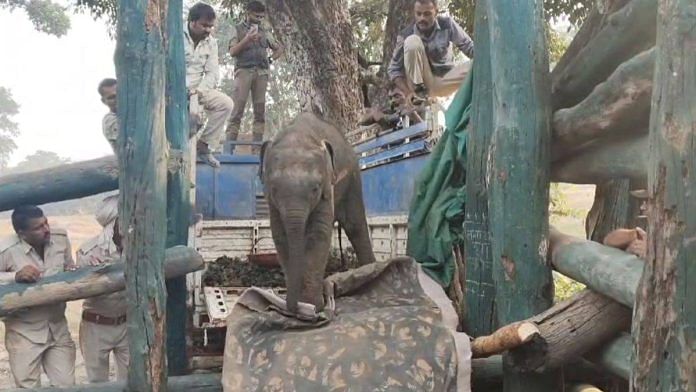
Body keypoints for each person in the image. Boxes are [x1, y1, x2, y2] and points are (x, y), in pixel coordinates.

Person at [0, 206, 76, 388]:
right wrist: (15, 276)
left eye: (46, 223)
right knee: (28, 387)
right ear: (22, 233)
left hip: (58, 328)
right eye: (38, 227)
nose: (46, 229)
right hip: (23, 333)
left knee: (67, 386)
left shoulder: (60, 239)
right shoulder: (6, 250)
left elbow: (69, 268)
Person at [388, 0, 474, 102]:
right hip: (420, 83)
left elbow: (469, 47)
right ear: (414, 13)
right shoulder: (406, 35)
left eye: (427, 14)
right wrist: (408, 93)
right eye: (418, 14)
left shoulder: (446, 24)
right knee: (412, 41)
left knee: (478, 63)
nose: (422, 18)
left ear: (436, 12)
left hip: (445, 79)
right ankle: (418, 93)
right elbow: (393, 70)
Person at [76, 214, 128, 383]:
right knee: (97, 382)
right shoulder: (89, 251)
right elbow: (79, 286)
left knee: (133, 379)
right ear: (113, 223)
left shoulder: (141, 245)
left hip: (128, 324)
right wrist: (90, 271)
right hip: (96, 325)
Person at [226, 0, 283, 154]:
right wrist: (247, 40)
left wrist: (271, 59)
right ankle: (228, 149)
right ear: (248, 13)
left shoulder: (266, 31)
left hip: (262, 73)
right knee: (237, 110)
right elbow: (232, 52)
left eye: (261, 16)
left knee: (260, 112)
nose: (259, 19)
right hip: (244, 71)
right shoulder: (236, 29)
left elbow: (279, 48)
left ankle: (257, 149)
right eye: (256, 16)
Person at [186, 2, 235, 167]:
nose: (208, 30)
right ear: (192, 22)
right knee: (192, 121)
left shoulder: (211, 43)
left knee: (226, 104)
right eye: (204, 25)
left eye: (211, 26)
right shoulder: (174, 36)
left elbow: (213, 74)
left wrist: (198, 92)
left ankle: (204, 146)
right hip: (174, 91)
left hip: (199, 89)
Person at [98, 78, 119, 157]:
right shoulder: (109, 120)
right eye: (112, 97)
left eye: (119, 94)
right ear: (104, 101)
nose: (117, 99)